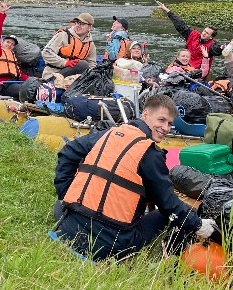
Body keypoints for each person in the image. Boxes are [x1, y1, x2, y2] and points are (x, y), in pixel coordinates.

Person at [53, 93, 216, 260]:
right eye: (161, 120)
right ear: (145, 113)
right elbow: (169, 203)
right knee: (169, 213)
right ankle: (173, 261)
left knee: (59, 204)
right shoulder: (151, 153)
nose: (166, 128)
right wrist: (197, 224)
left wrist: (65, 193)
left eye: (170, 124)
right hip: (110, 246)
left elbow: (68, 151)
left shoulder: (110, 133)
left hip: (68, 230)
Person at [156, 1, 221, 80]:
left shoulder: (211, 46)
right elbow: (180, 24)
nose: (204, 33)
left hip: (196, 75)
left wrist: (223, 48)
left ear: (211, 37)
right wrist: (166, 10)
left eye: (207, 33)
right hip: (182, 68)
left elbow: (217, 51)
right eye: (204, 31)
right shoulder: (193, 35)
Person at [42, 12, 97, 80]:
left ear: (90, 27)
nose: (78, 25)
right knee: (83, 65)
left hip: (73, 77)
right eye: (77, 22)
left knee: (89, 70)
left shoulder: (91, 45)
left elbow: (92, 65)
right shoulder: (63, 35)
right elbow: (46, 52)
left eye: (82, 24)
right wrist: (65, 63)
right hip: (53, 75)